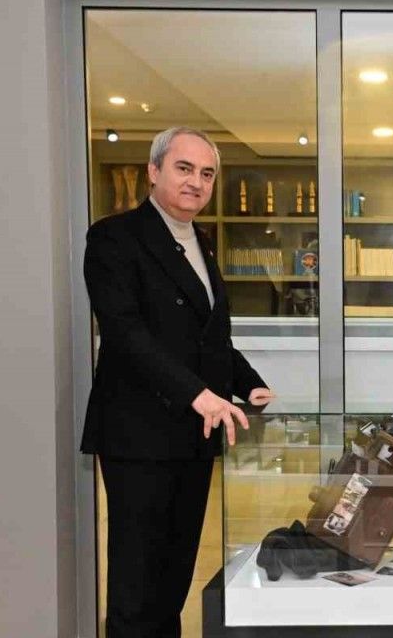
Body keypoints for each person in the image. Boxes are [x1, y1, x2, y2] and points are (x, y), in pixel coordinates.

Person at [81, 126, 274, 638]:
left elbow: (209, 337)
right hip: (139, 434)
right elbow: (125, 333)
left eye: (207, 173)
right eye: (184, 168)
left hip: (194, 435)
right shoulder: (114, 237)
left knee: (173, 577)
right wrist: (197, 393)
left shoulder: (200, 240)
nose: (196, 182)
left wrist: (249, 384)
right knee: (137, 584)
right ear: (154, 171)